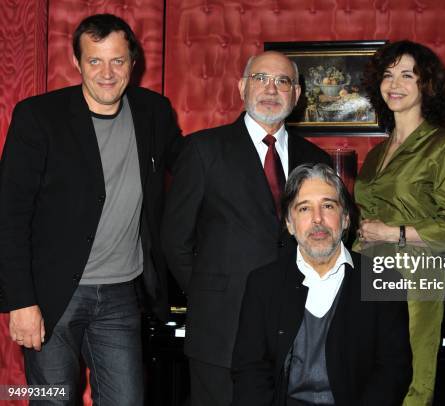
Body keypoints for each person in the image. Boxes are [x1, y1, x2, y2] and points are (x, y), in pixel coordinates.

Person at [0, 14, 183, 405]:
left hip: (121, 294)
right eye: (94, 61)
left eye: (117, 60)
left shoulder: (154, 112)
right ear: (77, 63)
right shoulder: (38, 118)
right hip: (51, 296)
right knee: (53, 400)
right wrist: (20, 302)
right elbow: (9, 216)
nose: (106, 73)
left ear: (133, 64)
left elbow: (190, 173)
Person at [161, 51, 332, 406]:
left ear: (296, 95)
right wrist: (209, 294)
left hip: (296, 329)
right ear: (242, 87)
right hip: (220, 329)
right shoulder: (203, 149)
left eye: (282, 81)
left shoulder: (317, 159)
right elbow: (175, 238)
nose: (271, 89)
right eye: (260, 79)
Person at [353, 40, 445, 406]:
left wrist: (393, 233)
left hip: (414, 277)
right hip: (366, 273)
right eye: (388, 75)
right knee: (367, 378)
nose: (395, 83)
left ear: (427, 84)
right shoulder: (377, 152)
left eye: (407, 75)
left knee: (411, 381)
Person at [231, 163, 412, 406]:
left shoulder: (383, 280)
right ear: (290, 223)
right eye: (304, 209)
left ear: (346, 218)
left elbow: (393, 373)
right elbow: (250, 372)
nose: (317, 219)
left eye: (328, 206)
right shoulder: (263, 284)